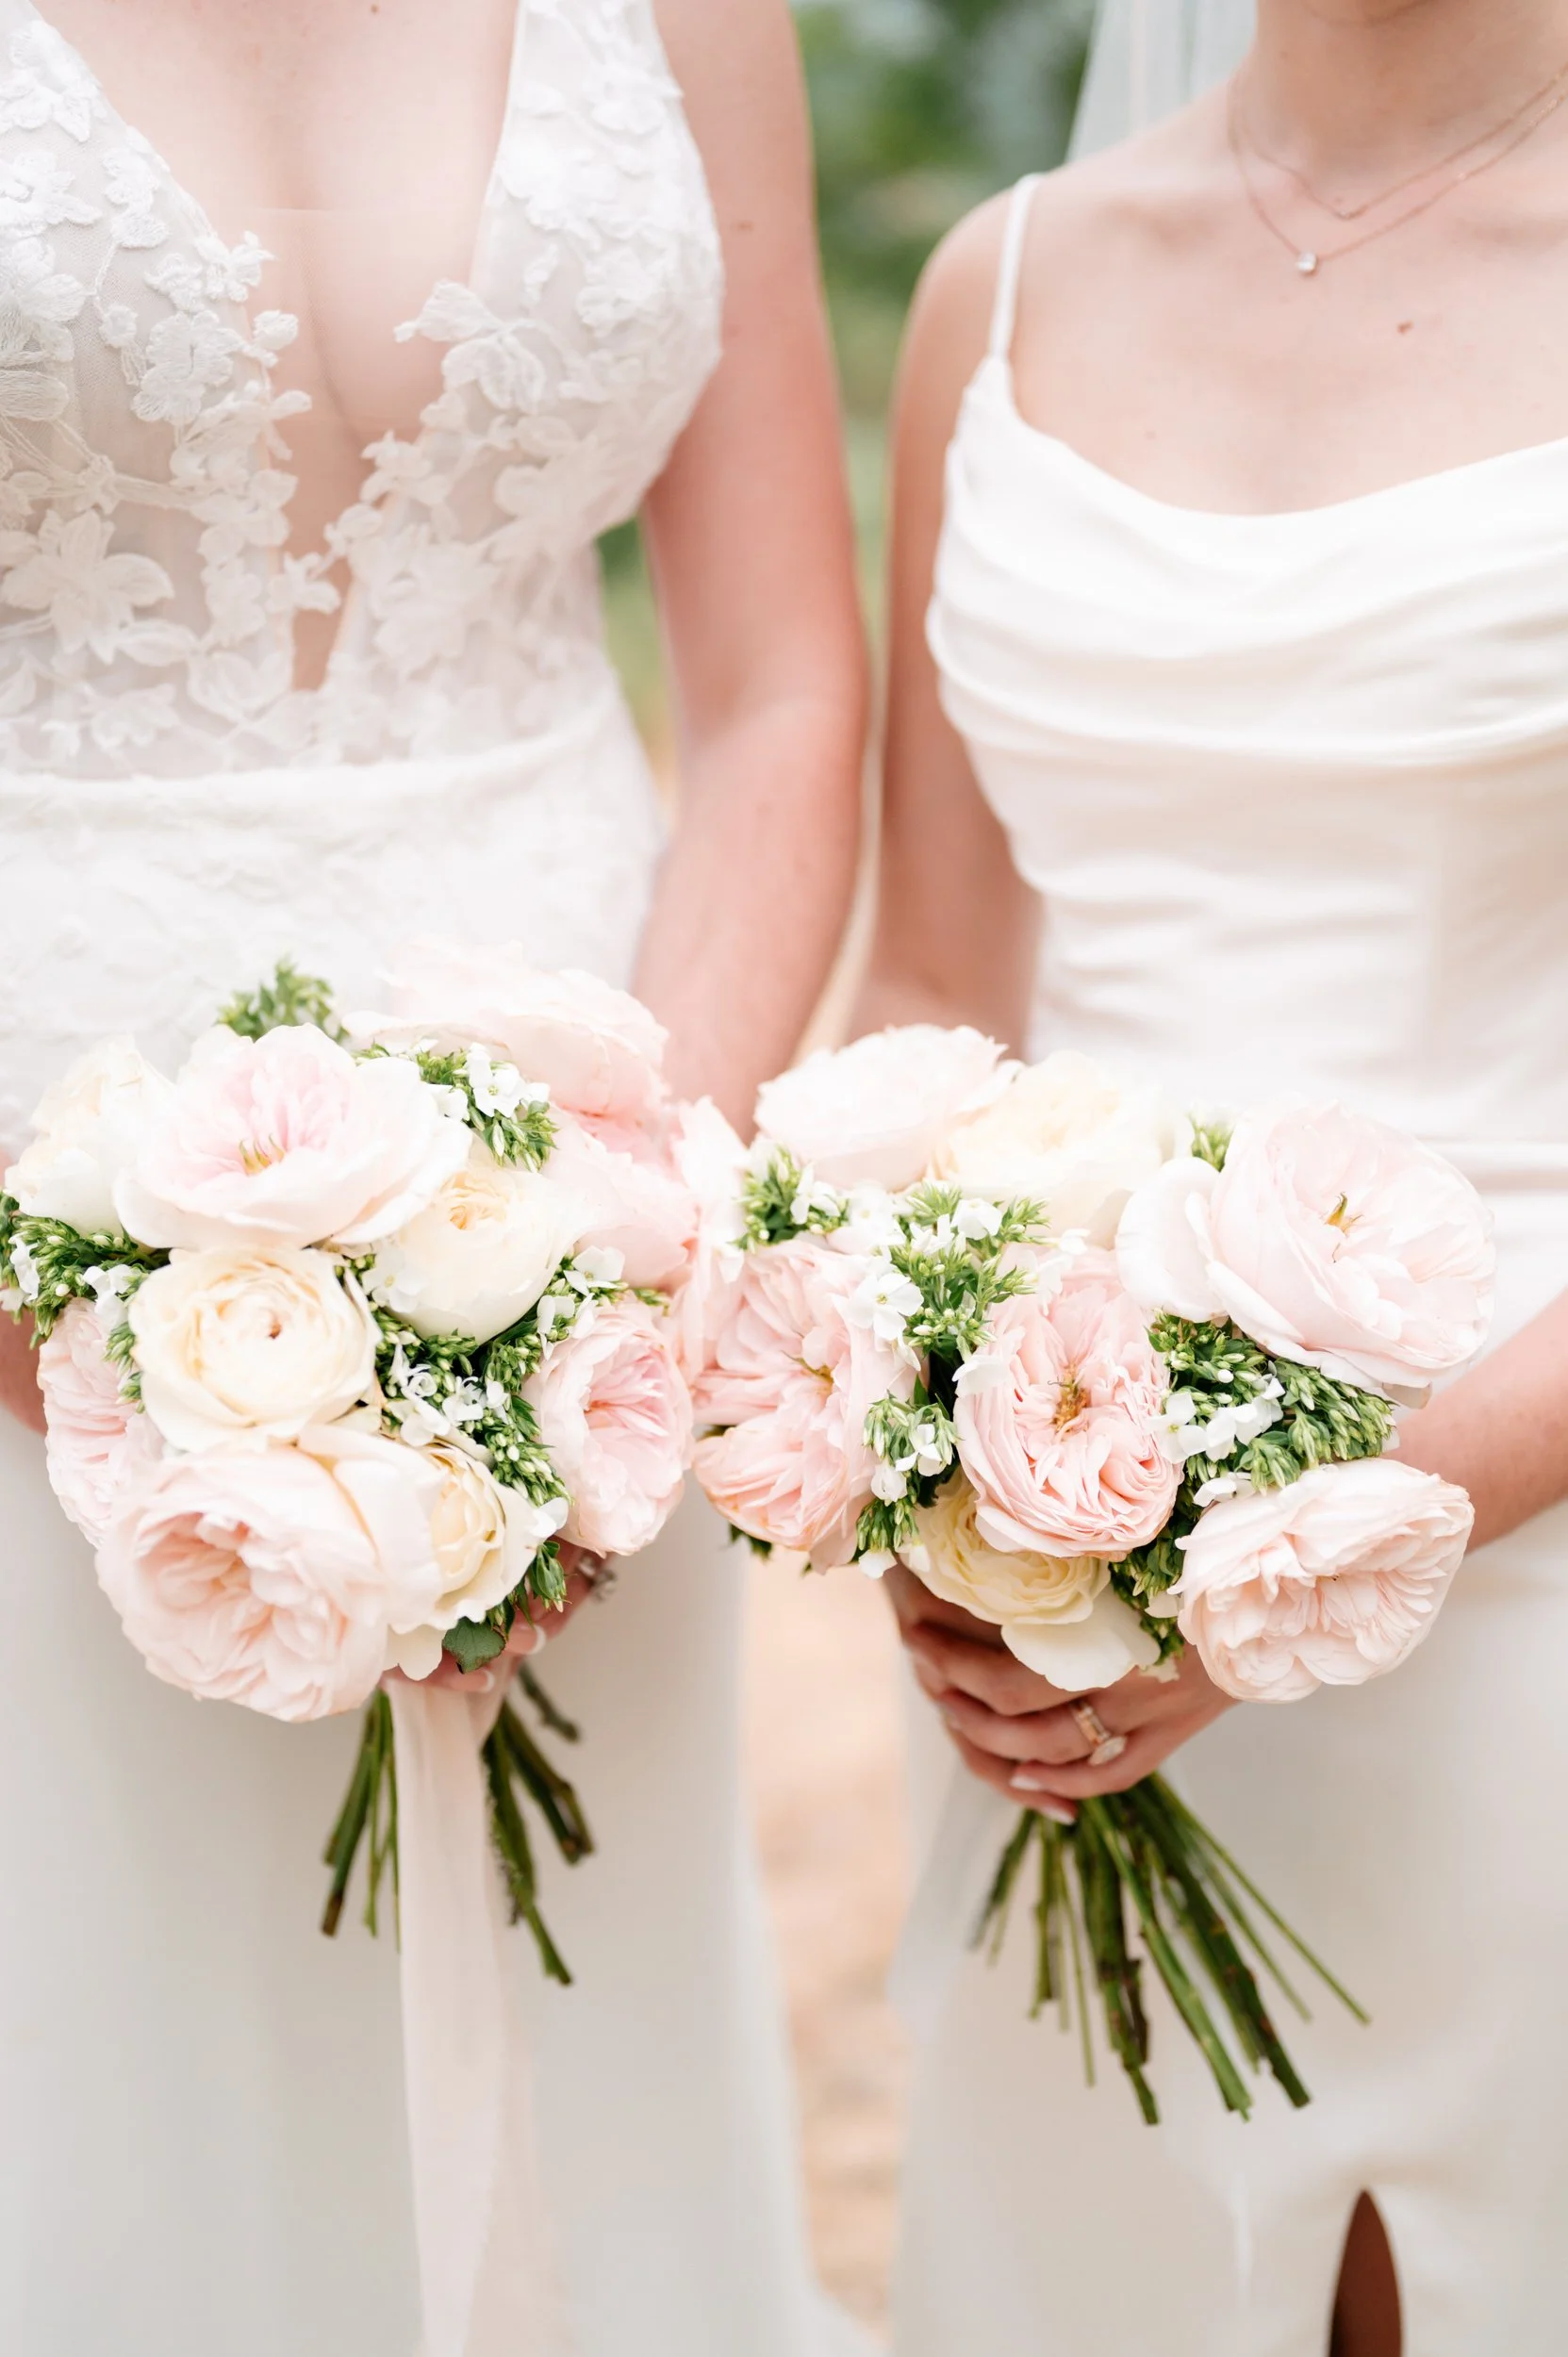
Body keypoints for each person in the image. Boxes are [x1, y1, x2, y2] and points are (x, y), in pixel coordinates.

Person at [0, 3, 867, 2352]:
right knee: (101, 2013)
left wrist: (631, 1230)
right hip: (38, 1191)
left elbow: (785, 680)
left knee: (560, 2002)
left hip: (582, 1208)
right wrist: (39, 1280)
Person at [865, 0, 1568, 2349]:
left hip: (1526, 1529)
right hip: (1059, 1571)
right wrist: (902, 1441)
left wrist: (1297, 1549)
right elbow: (934, 987)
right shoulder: (1007, 281)